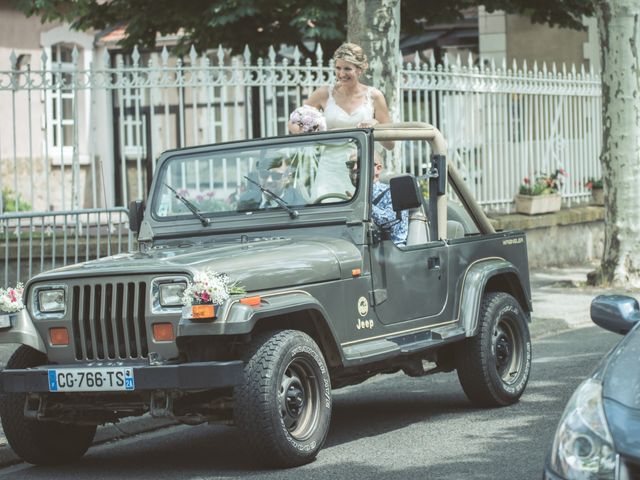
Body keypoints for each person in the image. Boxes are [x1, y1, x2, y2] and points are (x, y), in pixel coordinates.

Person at [288, 43, 391, 133]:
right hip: (329, 154)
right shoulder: (324, 93)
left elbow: (390, 144)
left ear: (359, 70)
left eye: (347, 69)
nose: (341, 74)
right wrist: (307, 130)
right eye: (338, 68)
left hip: (362, 154)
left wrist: (375, 124)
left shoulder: (375, 96)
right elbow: (294, 123)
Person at [346, 151, 408, 246]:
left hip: (390, 253)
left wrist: (362, 205)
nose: (354, 168)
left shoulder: (394, 192)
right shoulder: (349, 199)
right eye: (350, 164)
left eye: (360, 163)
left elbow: (391, 226)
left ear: (378, 169)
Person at [237, 155, 306, 211]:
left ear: (287, 178)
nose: (269, 180)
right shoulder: (245, 201)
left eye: (276, 175)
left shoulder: (298, 206)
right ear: (258, 175)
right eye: (264, 174)